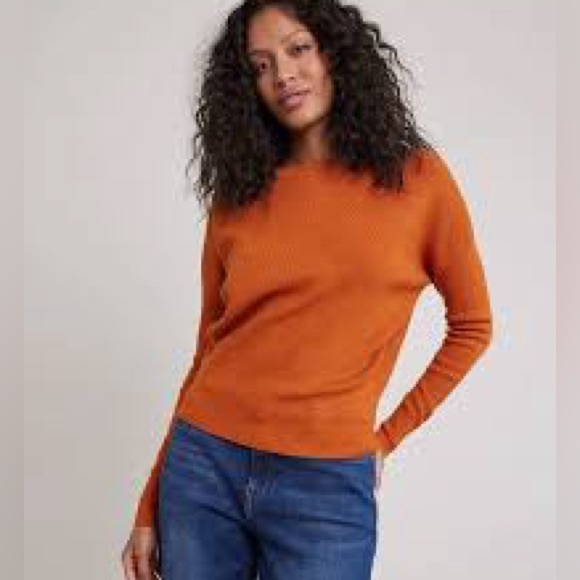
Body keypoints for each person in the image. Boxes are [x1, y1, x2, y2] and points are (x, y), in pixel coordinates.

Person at [121, 0, 493, 578]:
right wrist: (149, 504)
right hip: (203, 467)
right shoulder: (238, 194)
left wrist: (387, 437)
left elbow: (472, 327)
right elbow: (206, 353)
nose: (283, 76)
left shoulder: (418, 181)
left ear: (335, 53)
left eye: (298, 50)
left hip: (325, 483)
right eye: (261, 66)